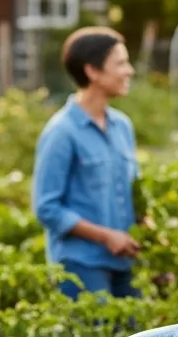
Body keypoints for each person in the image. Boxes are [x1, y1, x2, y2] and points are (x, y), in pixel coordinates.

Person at [32, 26, 142, 301]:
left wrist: (148, 224)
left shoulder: (122, 127)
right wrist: (107, 236)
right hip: (81, 264)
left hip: (125, 261)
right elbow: (47, 207)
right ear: (92, 71)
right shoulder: (62, 131)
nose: (129, 71)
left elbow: (134, 191)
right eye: (120, 63)